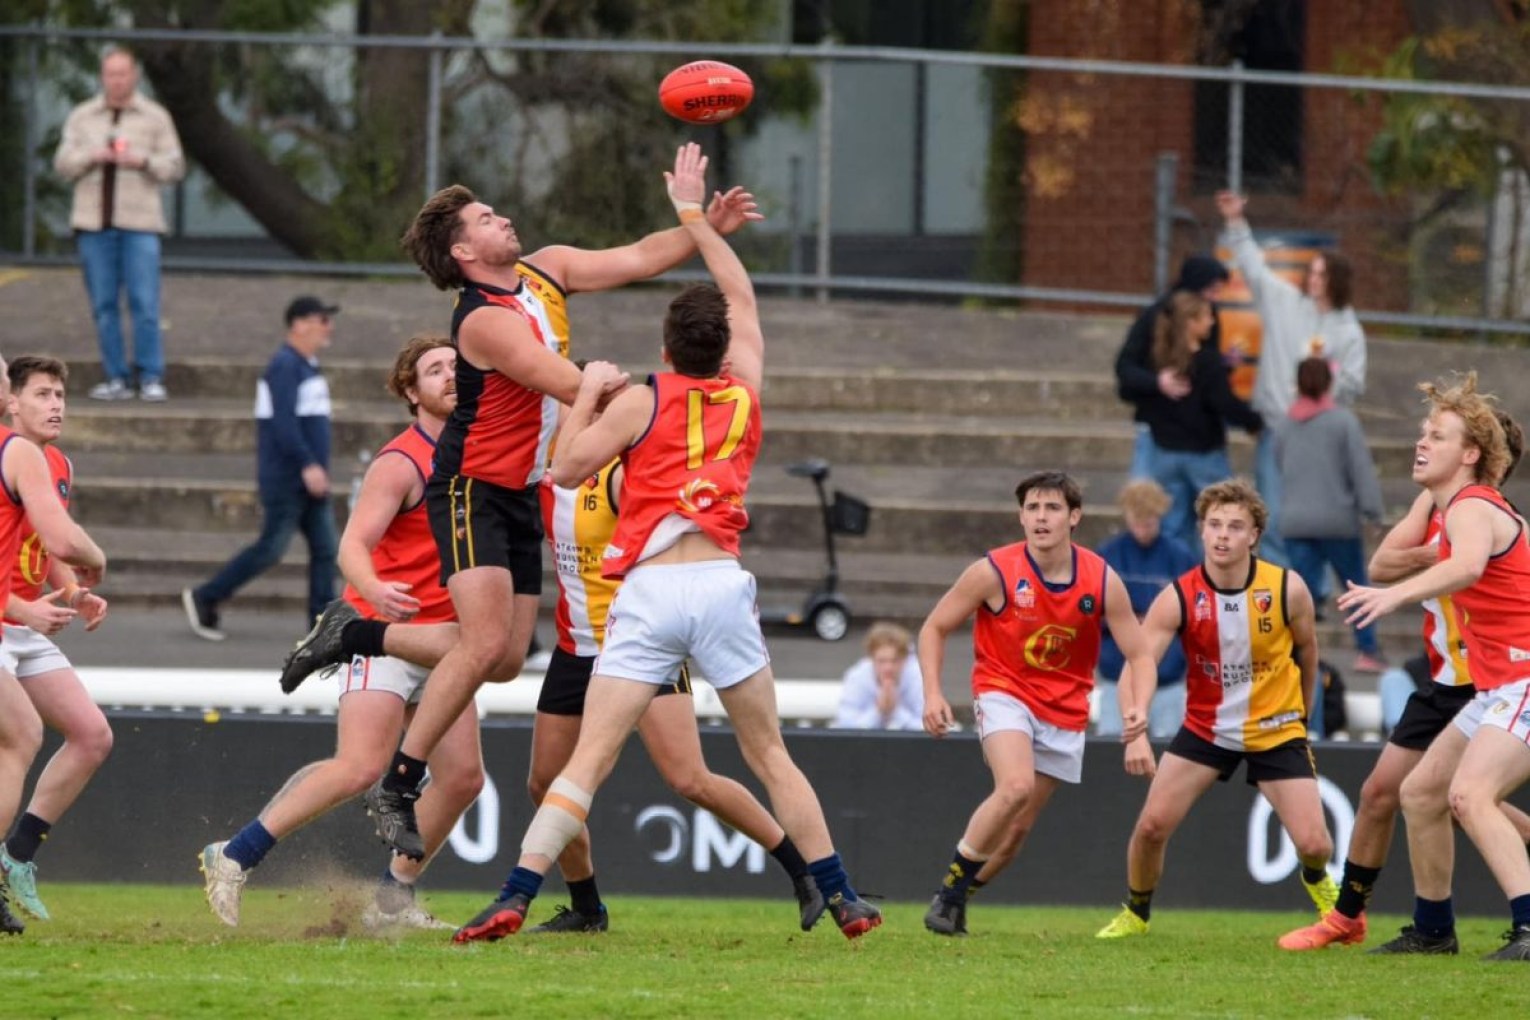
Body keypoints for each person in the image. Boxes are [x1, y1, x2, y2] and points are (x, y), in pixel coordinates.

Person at [449, 143, 879, 943]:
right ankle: (844, 895)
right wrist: (697, 219)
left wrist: (584, 400)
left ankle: (514, 894)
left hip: (644, 597)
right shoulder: (746, 393)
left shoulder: (642, 402)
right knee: (770, 756)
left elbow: (566, 467)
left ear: (665, 350)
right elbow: (740, 294)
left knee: (584, 767)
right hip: (719, 586)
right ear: (723, 347)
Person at [322, 157, 759, 863]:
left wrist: (702, 222)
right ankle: (400, 780)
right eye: (487, 219)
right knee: (485, 643)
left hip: (524, 491)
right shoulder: (483, 323)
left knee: (499, 659)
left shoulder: (546, 270)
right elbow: (567, 382)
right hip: (471, 487)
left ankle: (358, 636)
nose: (504, 219)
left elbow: (643, 256)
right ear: (465, 253)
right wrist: (672, 404)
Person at [197, 335, 483, 930]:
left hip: (449, 642)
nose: (450, 375)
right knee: (358, 766)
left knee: (461, 778)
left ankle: (391, 902)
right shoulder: (401, 461)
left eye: (457, 365)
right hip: (387, 632)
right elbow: (352, 545)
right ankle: (234, 854)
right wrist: (374, 591)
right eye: (435, 370)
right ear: (411, 391)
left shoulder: (480, 450)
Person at [516, 453, 822, 933]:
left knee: (689, 778)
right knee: (544, 782)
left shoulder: (623, 471)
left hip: (639, 643)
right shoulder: (544, 475)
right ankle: (586, 908)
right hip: (575, 646)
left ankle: (802, 869)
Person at [1335, 375, 1530, 961]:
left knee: (1470, 795)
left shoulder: (1472, 506)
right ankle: (1434, 930)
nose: (1422, 443)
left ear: (1470, 454)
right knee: (1420, 792)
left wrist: (1393, 595)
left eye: (1437, 435)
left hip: (1525, 677)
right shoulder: (1450, 508)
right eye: (1422, 433)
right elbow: (1400, 558)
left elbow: (1468, 566)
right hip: (1497, 686)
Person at [919, 470, 1157, 937]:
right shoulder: (993, 571)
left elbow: (1141, 653)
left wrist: (1139, 709)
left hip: (1065, 709)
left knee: (1014, 836)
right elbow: (934, 627)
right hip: (1003, 690)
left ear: (1074, 517)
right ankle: (947, 894)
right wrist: (932, 691)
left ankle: (958, 896)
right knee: (1015, 787)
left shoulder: (1101, 579)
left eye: (1051, 508)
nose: (1041, 518)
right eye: (1032, 508)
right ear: (1021, 516)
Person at [1097, 479, 1336, 940]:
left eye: (1235, 526)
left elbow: (1308, 654)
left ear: (1254, 537)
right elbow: (1138, 663)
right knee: (1151, 827)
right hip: (1207, 728)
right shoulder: (1181, 595)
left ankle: (1316, 879)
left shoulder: (1288, 589)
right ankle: (1136, 913)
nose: (1223, 535)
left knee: (1314, 844)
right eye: (1214, 525)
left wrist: (1301, 719)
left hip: (1277, 727)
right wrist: (1136, 729)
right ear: (1201, 532)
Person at [0, 357, 113, 925]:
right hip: (9, 619)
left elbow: (35, 550)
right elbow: (62, 538)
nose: (56, 405)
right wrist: (93, 560)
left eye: (61, 394)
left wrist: (71, 591)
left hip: (21, 623)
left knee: (92, 735)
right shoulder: (11, 451)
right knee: (19, 735)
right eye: (42, 393)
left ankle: (16, 855)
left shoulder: (56, 462)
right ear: (11, 401)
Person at [1216, 190, 1366, 568]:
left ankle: (1308, 590)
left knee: (1310, 516)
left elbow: (1353, 383)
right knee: (1272, 506)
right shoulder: (1284, 302)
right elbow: (1254, 268)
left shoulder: (1348, 331)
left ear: (1338, 281)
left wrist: (1324, 387)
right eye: (1312, 272)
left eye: (1323, 274)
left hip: (1317, 439)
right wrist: (1236, 223)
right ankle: (1283, 585)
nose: (1314, 280)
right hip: (1276, 427)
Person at [182, 296, 339, 640]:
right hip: (289, 477)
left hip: (307, 477)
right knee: (271, 548)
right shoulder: (285, 365)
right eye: (321, 319)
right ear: (298, 324)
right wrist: (308, 465)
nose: (329, 327)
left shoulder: (305, 365)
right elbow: (283, 424)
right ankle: (206, 596)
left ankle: (323, 625)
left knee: (327, 550)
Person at [52, 47, 184, 402]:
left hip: (140, 223)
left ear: (135, 76)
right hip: (93, 225)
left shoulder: (154, 117)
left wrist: (142, 161)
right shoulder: (83, 116)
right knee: (103, 305)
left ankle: (151, 375)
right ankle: (116, 378)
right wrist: (91, 156)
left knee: (145, 302)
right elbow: (62, 163)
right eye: (111, 74)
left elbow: (174, 165)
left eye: (123, 73)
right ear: (102, 76)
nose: (117, 80)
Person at [1274, 357, 1386, 672]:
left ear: (1297, 384)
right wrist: (1373, 512)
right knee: (1355, 589)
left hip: (1295, 521)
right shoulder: (1343, 422)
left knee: (1301, 595)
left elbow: (1280, 464)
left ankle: (1293, 654)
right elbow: (1360, 470)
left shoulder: (1284, 424)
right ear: (1329, 383)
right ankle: (1367, 651)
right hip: (1338, 521)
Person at [1134, 291, 1263, 551]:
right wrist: (1254, 421)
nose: (1212, 322)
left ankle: (1176, 582)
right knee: (1218, 521)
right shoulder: (1208, 362)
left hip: (1166, 453)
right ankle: (1208, 582)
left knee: (1173, 526)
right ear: (1191, 323)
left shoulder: (1158, 361)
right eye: (1206, 317)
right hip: (1204, 456)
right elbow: (1223, 402)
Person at [1094, 480, 1198, 741]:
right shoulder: (1108, 554)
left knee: (1170, 750)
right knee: (1111, 749)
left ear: (1160, 517)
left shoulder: (1180, 556)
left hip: (1169, 674)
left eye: (1149, 522)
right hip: (1116, 675)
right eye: (1136, 522)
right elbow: (1092, 608)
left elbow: (1194, 611)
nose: (1142, 529)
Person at [1114, 254, 1232, 480]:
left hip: (1197, 431)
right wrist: (1157, 382)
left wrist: (1222, 367)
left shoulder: (1209, 318)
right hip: (1157, 425)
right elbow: (1125, 366)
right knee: (1152, 500)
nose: (1215, 298)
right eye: (1212, 290)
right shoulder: (1154, 316)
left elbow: (1204, 367)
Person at [831, 621, 924, 731]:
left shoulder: (917, 676)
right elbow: (845, 726)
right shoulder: (857, 677)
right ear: (871, 658)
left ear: (905, 660)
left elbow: (927, 726)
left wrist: (896, 712)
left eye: (895, 660)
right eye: (882, 661)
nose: (888, 668)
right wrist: (878, 711)